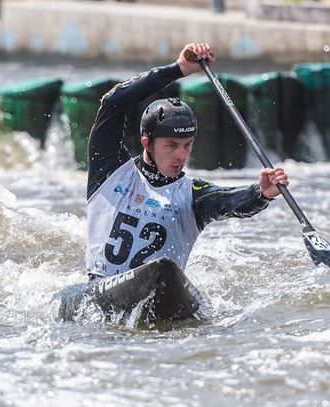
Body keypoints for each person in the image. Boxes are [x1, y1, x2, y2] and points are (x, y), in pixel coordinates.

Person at [86, 43, 289, 280]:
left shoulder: (192, 195)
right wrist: (178, 69)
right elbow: (113, 102)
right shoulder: (110, 171)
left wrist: (260, 194)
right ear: (146, 142)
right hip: (99, 289)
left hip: (161, 291)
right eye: (171, 145)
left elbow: (228, 202)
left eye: (187, 145)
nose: (181, 156)